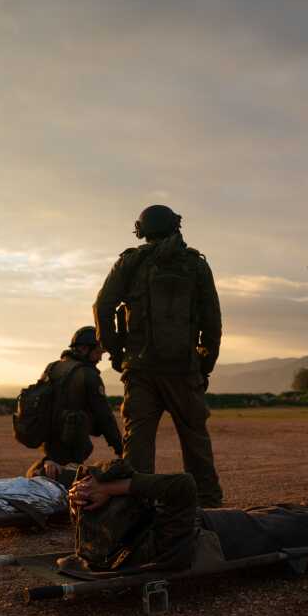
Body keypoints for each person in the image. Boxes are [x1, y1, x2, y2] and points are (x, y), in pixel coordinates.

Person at [59, 460, 308, 576]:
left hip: (230, 526)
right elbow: (182, 485)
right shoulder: (163, 539)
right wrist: (118, 486)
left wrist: (88, 490)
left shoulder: (102, 540)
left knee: (300, 512)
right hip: (245, 537)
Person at [93, 205, 224, 507]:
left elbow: (102, 307)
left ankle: (136, 505)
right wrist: (205, 363)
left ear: (142, 231)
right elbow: (212, 321)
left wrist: (116, 352)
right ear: (175, 226)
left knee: (138, 441)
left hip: (141, 369)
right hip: (184, 368)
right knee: (195, 439)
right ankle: (207, 503)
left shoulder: (130, 263)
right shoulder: (196, 266)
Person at [31, 326, 122, 470]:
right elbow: (105, 417)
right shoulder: (88, 375)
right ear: (85, 349)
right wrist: (120, 448)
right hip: (71, 447)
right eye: (98, 352)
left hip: (49, 446)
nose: (100, 358)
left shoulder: (52, 367)